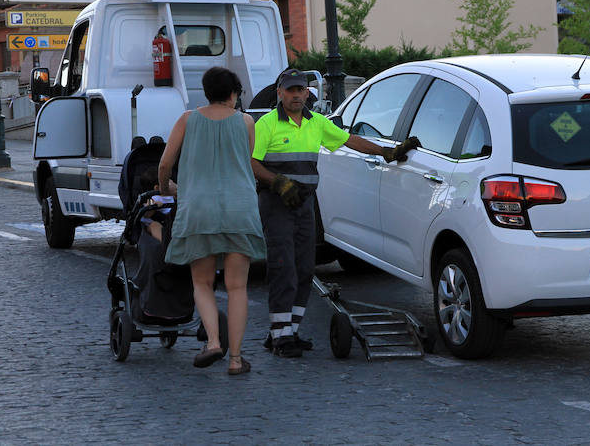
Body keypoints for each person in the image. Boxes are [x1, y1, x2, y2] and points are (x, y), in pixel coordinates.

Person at [252, 68, 420, 358]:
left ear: (307, 93)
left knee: (305, 269)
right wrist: (277, 182)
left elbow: (349, 140)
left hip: (304, 203)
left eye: (300, 90)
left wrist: (386, 153)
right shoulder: (266, 124)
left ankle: (286, 332)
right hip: (276, 204)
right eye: (290, 90)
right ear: (280, 93)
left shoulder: (316, 123)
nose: (295, 95)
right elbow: (252, 164)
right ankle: (281, 338)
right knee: (284, 268)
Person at [158, 66, 266, 375]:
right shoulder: (246, 122)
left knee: (202, 282)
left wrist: (166, 189)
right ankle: (235, 360)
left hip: (199, 208)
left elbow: (166, 163)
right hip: (239, 209)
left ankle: (214, 342)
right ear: (233, 93)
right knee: (237, 287)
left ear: (205, 92)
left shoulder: (187, 120)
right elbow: (246, 162)